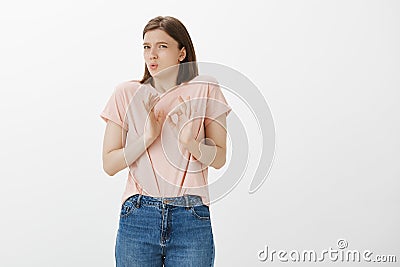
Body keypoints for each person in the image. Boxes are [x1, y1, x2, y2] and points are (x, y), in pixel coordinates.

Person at [100, 15, 231, 266]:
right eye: (147, 47)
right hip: (138, 216)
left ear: (182, 53)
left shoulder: (206, 88)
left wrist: (189, 142)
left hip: (190, 217)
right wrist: (148, 137)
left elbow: (220, 158)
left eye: (162, 46)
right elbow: (109, 164)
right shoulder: (126, 93)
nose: (152, 55)